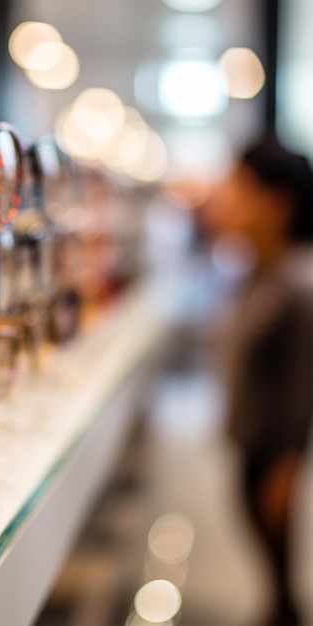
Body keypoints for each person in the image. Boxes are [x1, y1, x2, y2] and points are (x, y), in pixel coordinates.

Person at [202, 134, 313, 626]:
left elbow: (300, 382)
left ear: (277, 205)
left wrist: (287, 464)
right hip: (252, 443)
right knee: (265, 551)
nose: (225, 198)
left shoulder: (296, 281)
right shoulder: (258, 270)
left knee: (276, 550)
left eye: (239, 187)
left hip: (272, 452)